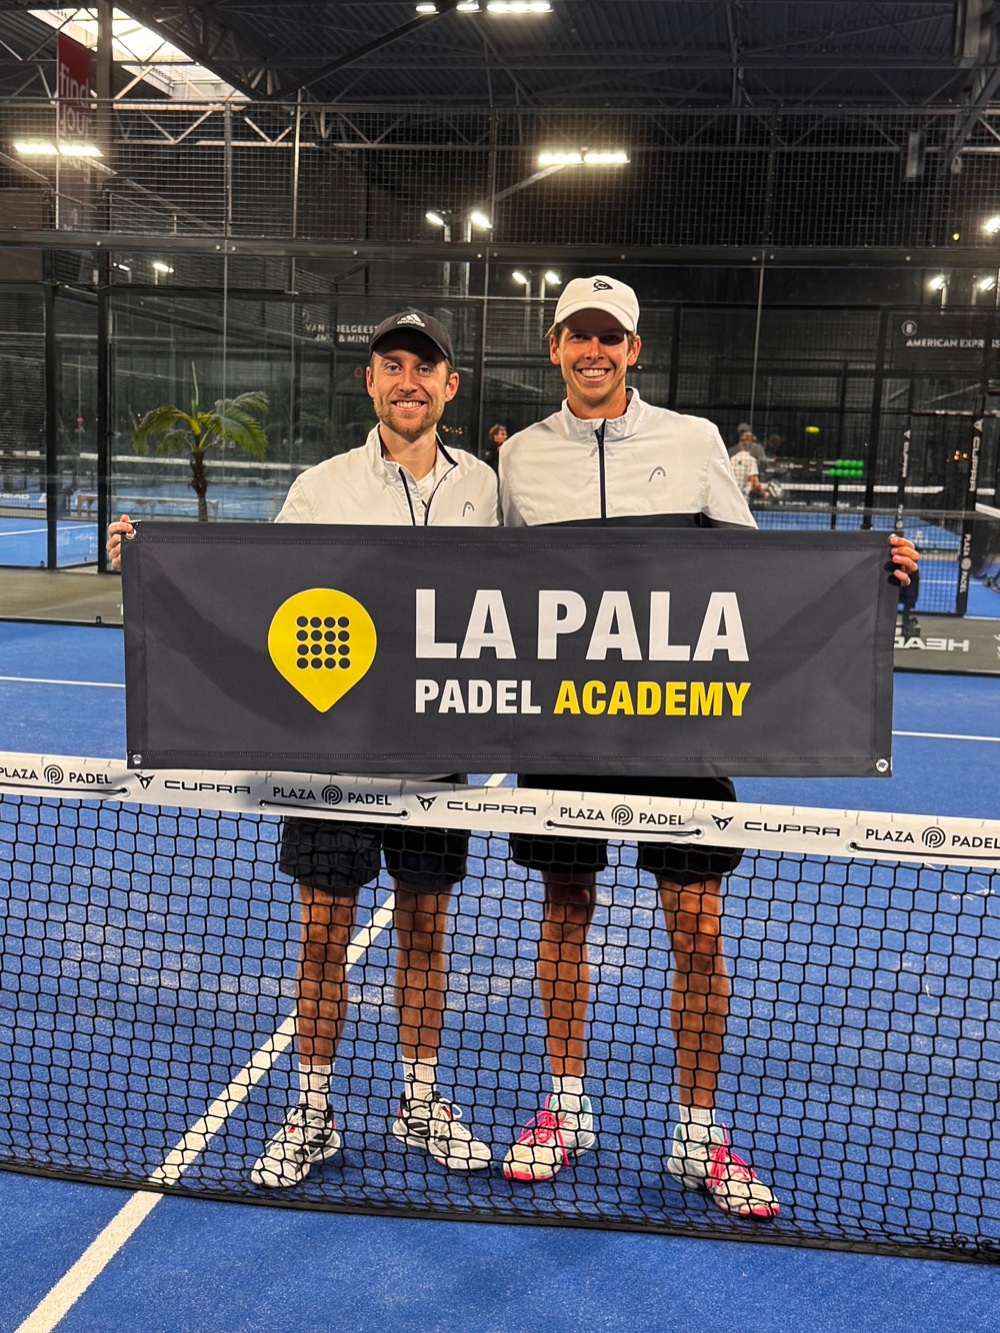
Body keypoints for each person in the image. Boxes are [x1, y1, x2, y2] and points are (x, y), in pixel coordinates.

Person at [497, 275, 918, 1216]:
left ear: (635, 349)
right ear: (555, 346)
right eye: (578, 336)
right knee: (566, 907)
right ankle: (566, 1105)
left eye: (611, 337)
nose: (594, 351)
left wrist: (867, 578)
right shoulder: (519, 460)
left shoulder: (691, 444)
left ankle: (698, 1129)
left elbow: (755, 573)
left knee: (698, 925)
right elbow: (468, 585)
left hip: (679, 725)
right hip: (561, 726)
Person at [108, 309, 499, 1187]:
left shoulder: (487, 488)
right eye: (391, 364)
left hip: (437, 750)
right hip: (328, 754)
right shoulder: (320, 486)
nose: (408, 380)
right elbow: (256, 592)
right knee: (324, 935)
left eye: (424, 367)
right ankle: (314, 1109)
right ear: (371, 381)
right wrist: (155, 562)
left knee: (425, 930)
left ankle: (420, 1098)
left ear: (450, 386)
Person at [729, 439, 769, 503]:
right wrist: (763, 493)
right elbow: (754, 483)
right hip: (742, 499)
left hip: (730, 497)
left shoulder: (732, 459)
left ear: (740, 445)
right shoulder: (751, 460)